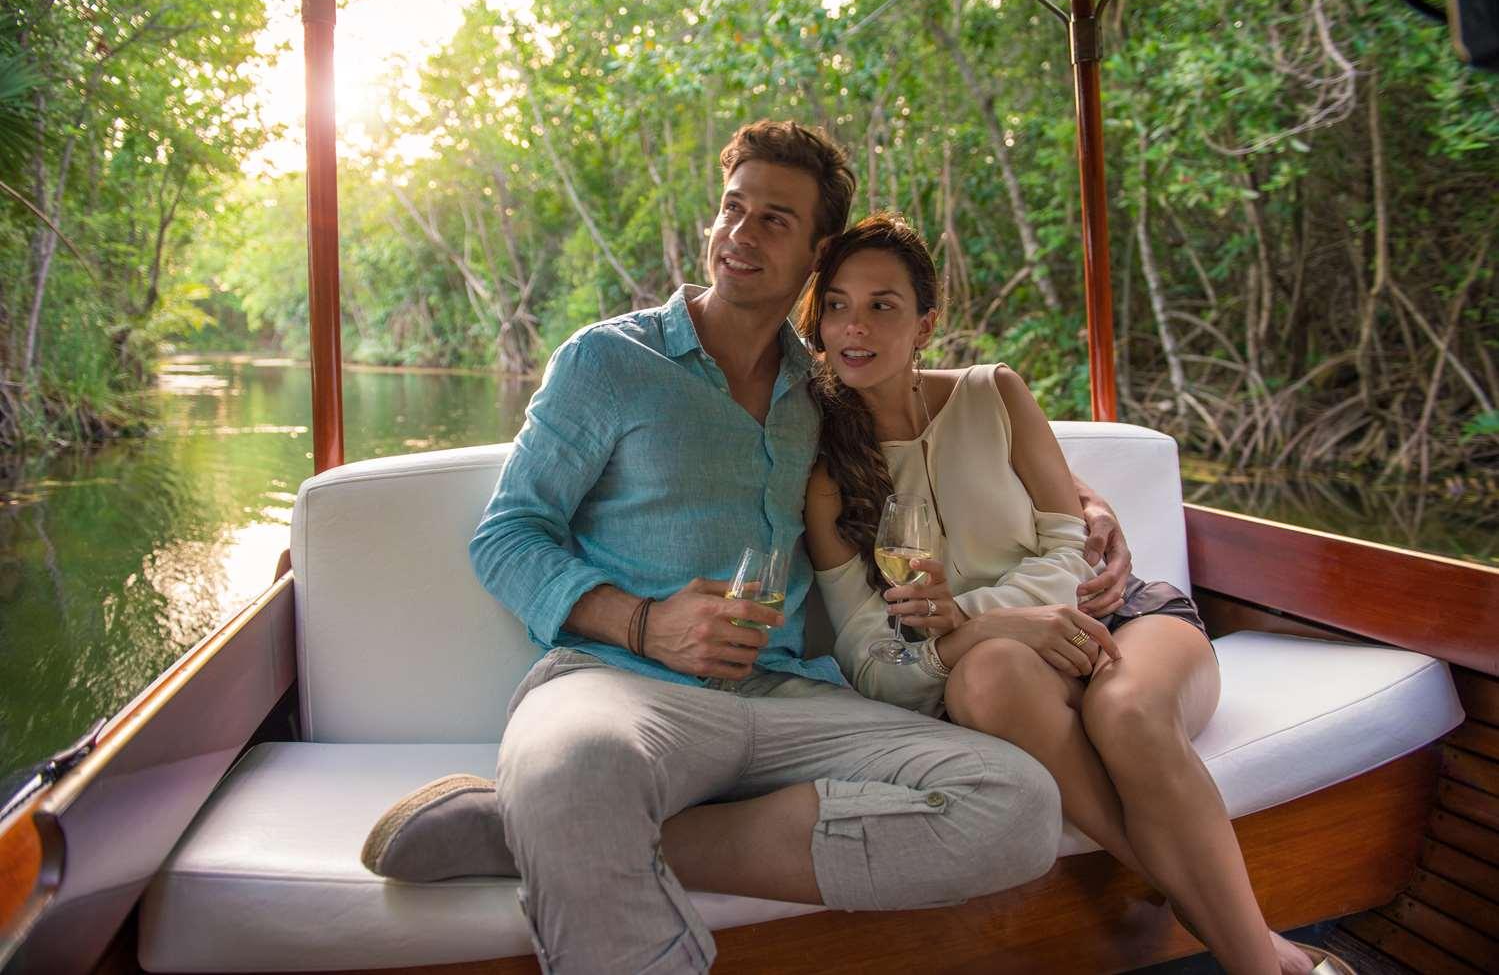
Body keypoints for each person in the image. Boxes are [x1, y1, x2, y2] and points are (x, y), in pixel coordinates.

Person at [358, 121, 1132, 975]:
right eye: (732, 208)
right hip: (619, 687)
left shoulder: (827, 388)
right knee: (573, 770)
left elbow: (943, 431)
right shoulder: (607, 361)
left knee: (1016, 805)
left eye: (774, 219)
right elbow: (508, 534)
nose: (740, 234)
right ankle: (568, 818)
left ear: (817, 253)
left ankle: (539, 832)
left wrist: (1089, 502)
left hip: (792, 698)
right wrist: (645, 623)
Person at [798, 213, 1351, 975]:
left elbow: (1069, 549)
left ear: (925, 323)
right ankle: (1256, 944)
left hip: (1119, 620)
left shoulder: (994, 393)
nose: (853, 326)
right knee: (984, 677)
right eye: (836, 305)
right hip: (1001, 669)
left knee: (1125, 713)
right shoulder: (827, 477)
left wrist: (975, 614)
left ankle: (1256, 961)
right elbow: (868, 661)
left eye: (880, 305)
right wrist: (986, 633)